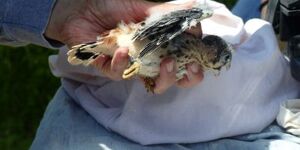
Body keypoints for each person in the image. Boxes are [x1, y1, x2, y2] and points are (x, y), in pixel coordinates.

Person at [1, 0, 300, 149]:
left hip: (133, 48)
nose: (219, 68)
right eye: (218, 62)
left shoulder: (192, 59)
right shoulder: (192, 34)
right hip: (132, 40)